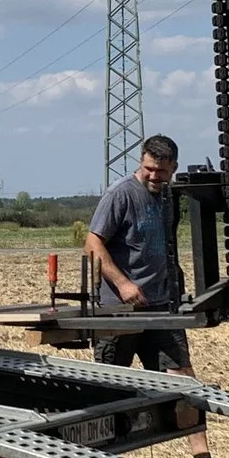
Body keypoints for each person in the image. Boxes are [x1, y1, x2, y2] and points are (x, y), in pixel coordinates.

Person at [85, 134, 189, 373]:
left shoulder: (169, 196)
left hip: (162, 306)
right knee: (114, 382)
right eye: (149, 169)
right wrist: (123, 284)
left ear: (174, 168)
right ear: (141, 161)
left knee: (180, 378)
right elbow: (92, 244)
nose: (153, 176)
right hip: (120, 309)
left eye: (161, 171)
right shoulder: (120, 194)